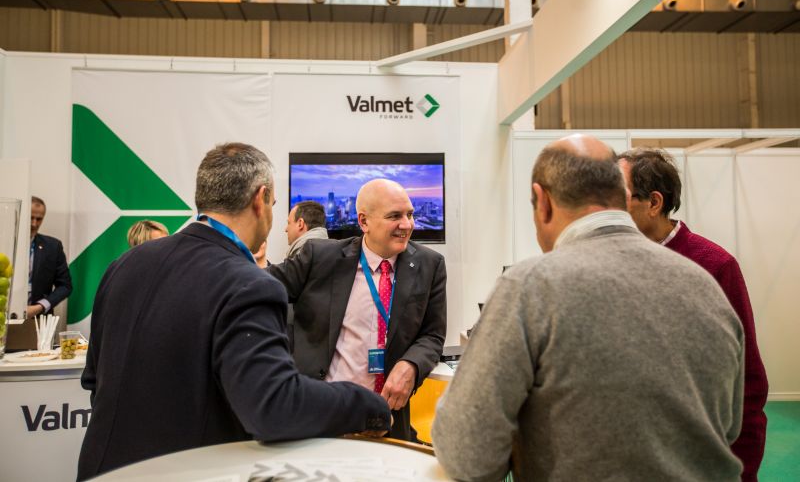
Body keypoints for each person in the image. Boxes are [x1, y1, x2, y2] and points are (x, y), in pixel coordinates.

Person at [432, 134, 744, 481]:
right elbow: (729, 424)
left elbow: (468, 453)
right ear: (621, 197)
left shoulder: (529, 287)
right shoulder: (706, 284)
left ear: (542, 201)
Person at [77, 143, 391, 481]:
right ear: (260, 198)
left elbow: (94, 380)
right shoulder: (249, 284)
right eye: (273, 205)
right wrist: (368, 405)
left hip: (101, 470)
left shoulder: (124, 265)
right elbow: (274, 407)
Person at [618, 147, 768, 481]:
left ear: (654, 203)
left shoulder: (715, 266)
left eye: (617, 198)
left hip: (694, 457)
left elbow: (747, 379)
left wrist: (743, 471)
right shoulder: (610, 263)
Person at [268, 179, 446, 442]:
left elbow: (432, 335)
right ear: (364, 222)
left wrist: (411, 364)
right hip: (320, 416)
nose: (407, 224)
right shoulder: (320, 257)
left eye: (409, 214)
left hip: (387, 418)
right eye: (394, 216)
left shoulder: (430, 265)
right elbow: (260, 289)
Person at [27, 196, 72, 318]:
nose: (34, 223)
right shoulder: (5, 243)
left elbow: (65, 286)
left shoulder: (53, 247)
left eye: (39, 219)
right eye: (31, 217)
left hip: (39, 318)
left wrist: (40, 306)